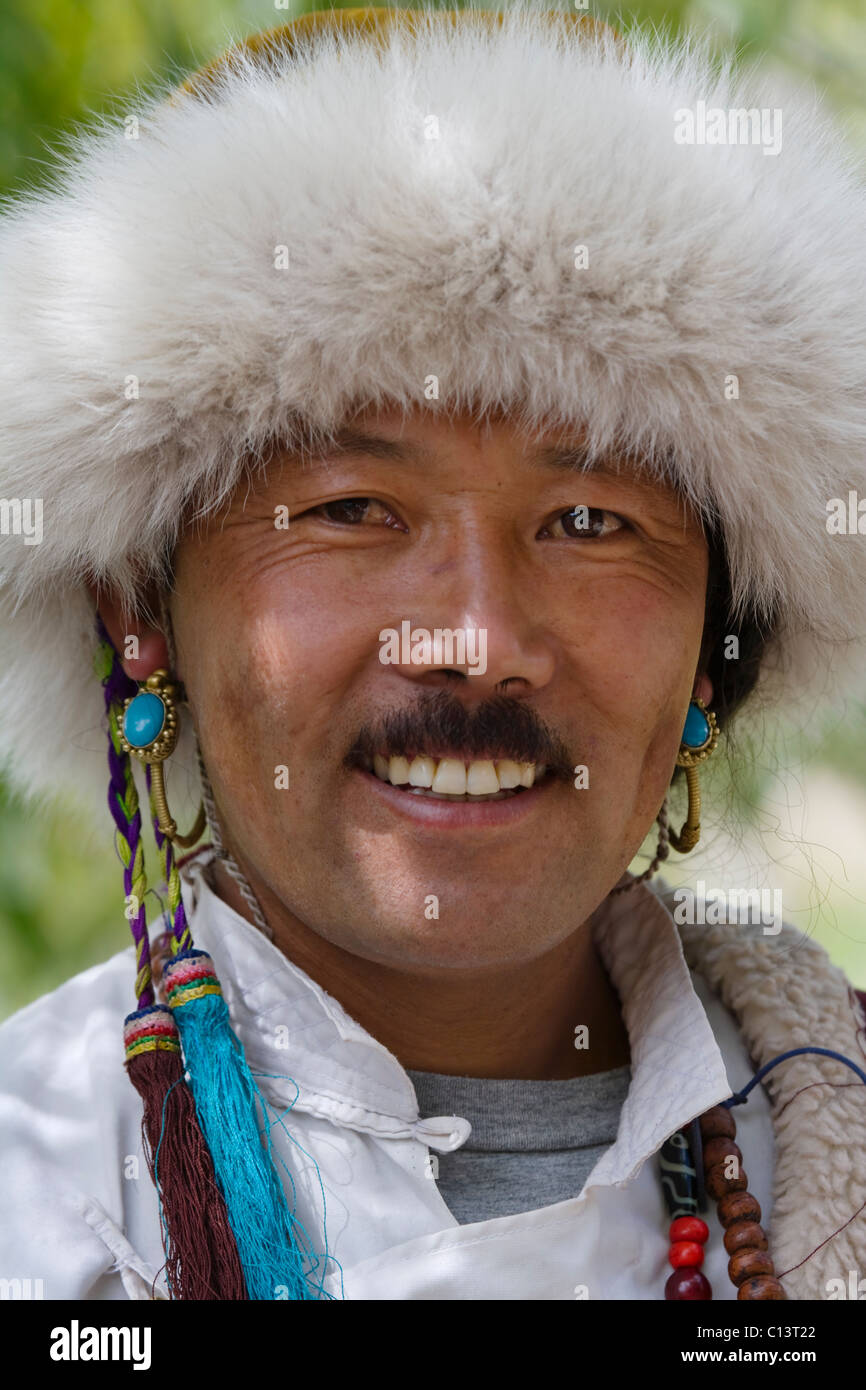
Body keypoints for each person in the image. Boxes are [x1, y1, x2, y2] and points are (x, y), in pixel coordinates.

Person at [0, 3, 865, 1302]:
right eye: (351, 510)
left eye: (589, 522)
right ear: (142, 610)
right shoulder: (36, 1189)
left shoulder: (812, 1125)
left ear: (710, 652)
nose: (474, 641)